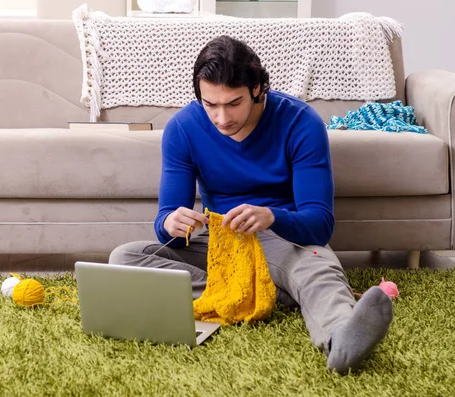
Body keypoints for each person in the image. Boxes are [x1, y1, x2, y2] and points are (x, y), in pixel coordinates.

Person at [109, 35, 393, 374]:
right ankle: (259, 294)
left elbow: (320, 223)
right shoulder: (183, 128)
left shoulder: (301, 123)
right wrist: (171, 222)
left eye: (233, 103)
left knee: (319, 273)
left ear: (258, 89)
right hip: (220, 244)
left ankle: (340, 339)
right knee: (125, 258)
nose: (221, 118)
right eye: (209, 104)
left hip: (286, 240)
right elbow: (164, 223)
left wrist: (271, 216)